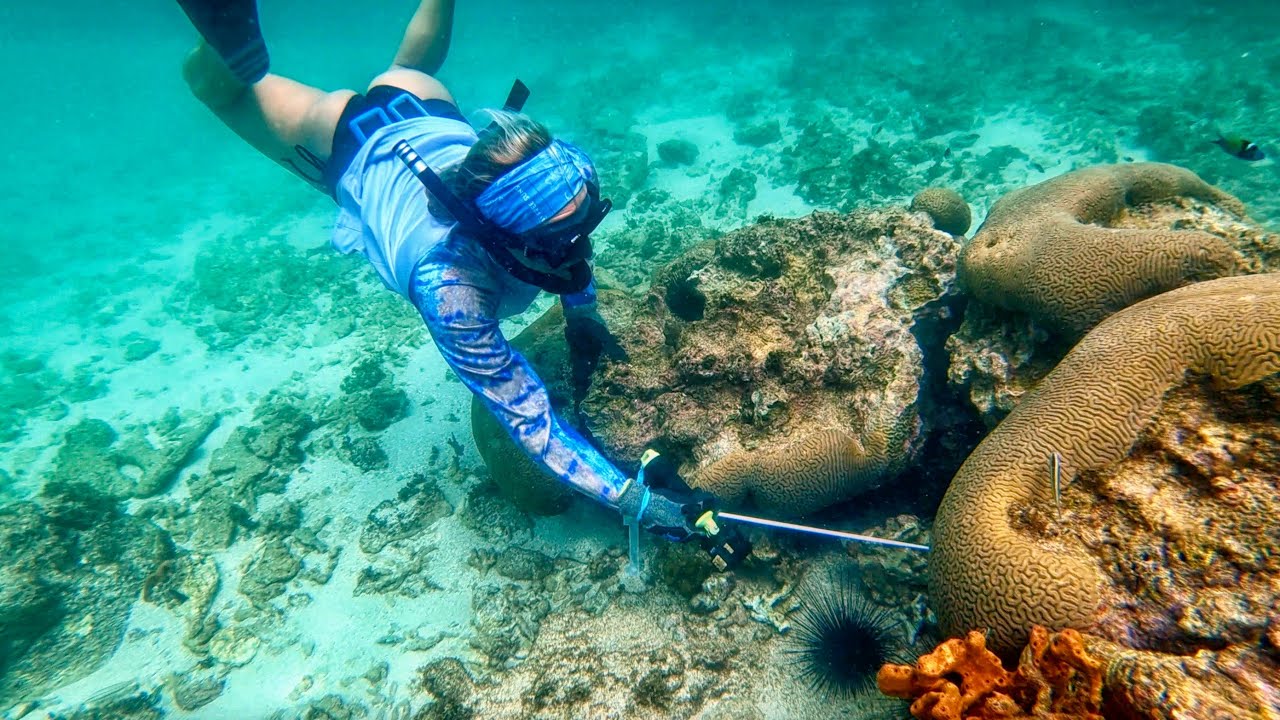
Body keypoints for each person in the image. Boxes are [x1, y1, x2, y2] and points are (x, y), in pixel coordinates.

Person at [176, 0, 726, 547]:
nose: (578, 251)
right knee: (220, 88)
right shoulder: (451, 291)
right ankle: (218, 49)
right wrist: (638, 502)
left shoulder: (534, 227)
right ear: (500, 238)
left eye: (586, 222)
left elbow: (566, 247)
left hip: (421, 109)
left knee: (408, 68)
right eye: (560, 238)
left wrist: (582, 312)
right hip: (347, 138)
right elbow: (531, 421)